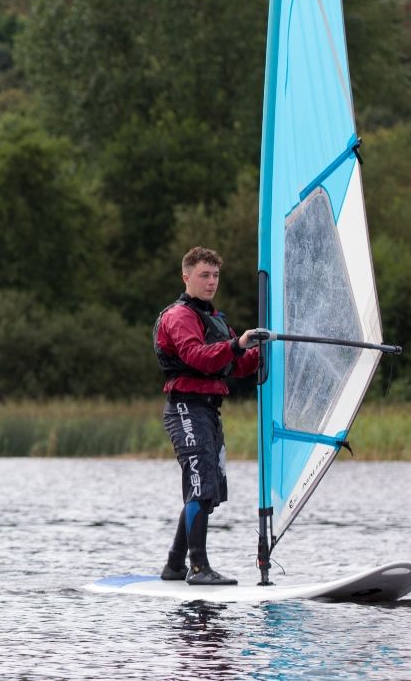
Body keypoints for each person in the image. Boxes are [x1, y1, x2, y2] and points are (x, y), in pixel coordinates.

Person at [154, 246, 263, 586]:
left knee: (208, 491)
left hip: (209, 411)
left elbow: (237, 366)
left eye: (215, 275)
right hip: (185, 406)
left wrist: (260, 350)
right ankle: (198, 568)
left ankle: (174, 565)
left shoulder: (215, 319)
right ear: (186, 277)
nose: (211, 281)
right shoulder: (178, 316)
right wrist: (236, 344)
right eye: (204, 275)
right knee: (200, 486)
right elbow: (197, 356)